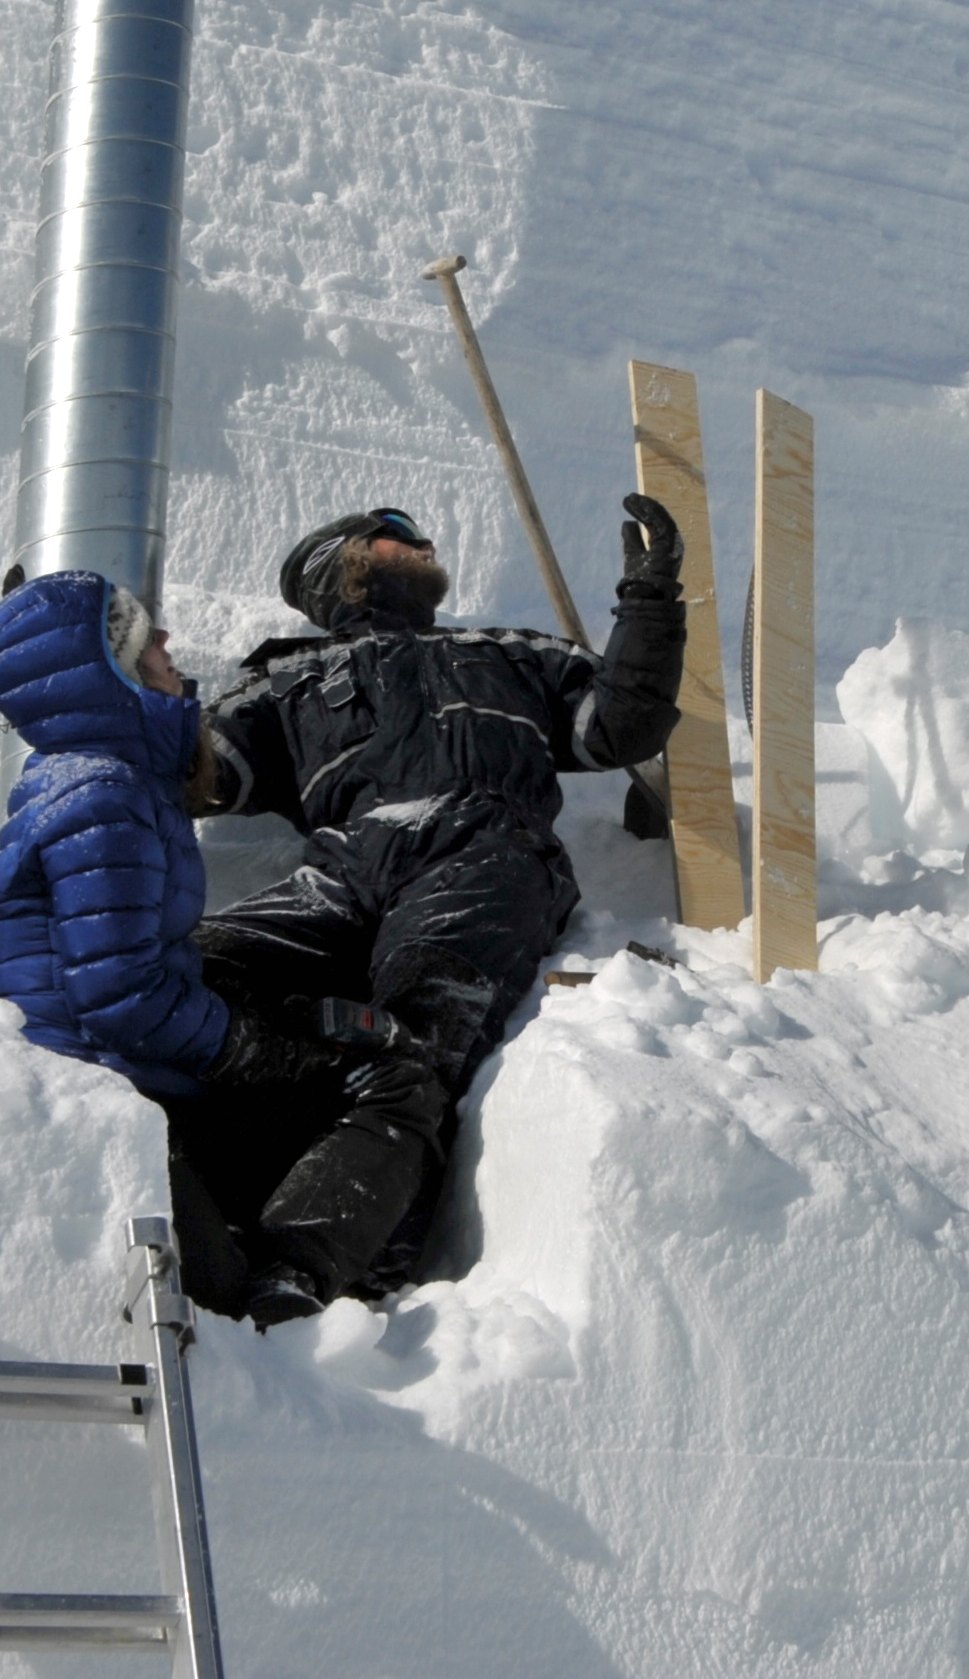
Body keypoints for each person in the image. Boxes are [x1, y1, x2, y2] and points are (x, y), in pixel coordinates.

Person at [179, 498, 686, 1326]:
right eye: (399, 532)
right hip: (345, 868)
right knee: (194, 966)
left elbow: (619, 727)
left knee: (423, 1018)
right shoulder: (283, 677)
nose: (424, 542)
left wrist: (651, 601)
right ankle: (234, 1175)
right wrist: (101, 680)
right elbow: (201, 773)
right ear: (341, 561)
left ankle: (338, 1264)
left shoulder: (507, 650)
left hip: (482, 849)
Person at [0, 567, 391, 1315]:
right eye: (137, 636)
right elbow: (118, 996)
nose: (166, 641)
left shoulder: (100, 785)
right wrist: (252, 1050)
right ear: (107, 675)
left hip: (137, 1081)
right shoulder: (104, 798)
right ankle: (293, 1301)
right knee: (378, 1082)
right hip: (123, 1098)